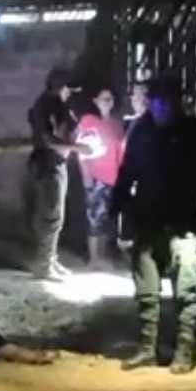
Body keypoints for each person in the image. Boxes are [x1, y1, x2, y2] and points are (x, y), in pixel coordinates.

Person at [112, 81, 196, 374]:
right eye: (157, 103)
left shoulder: (194, 131)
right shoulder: (142, 130)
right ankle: (148, 348)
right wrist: (118, 207)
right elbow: (127, 172)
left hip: (184, 223)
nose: (162, 109)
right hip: (149, 221)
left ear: (178, 103)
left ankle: (185, 349)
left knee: (187, 290)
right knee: (147, 292)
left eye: (167, 103)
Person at [26, 69, 88, 281]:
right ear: (60, 86)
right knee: (50, 215)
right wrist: (79, 148)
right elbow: (47, 140)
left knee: (56, 215)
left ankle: (50, 259)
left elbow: (67, 128)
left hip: (56, 163)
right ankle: (44, 265)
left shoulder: (57, 104)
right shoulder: (44, 105)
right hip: (47, 164)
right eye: (69, 89)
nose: (71, 93)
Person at [74, 88, 126, 270]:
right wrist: (86, 176)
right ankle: (93, 258)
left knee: (107, 217)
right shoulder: (88, 122)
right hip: (96, 177)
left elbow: (121, 151)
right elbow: (81, 150)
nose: (108, 102)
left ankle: (102, 255)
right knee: (94, 216)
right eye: (104, 99)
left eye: (110, 99)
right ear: (95, 101)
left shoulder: (116, 124)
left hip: (114, 176)